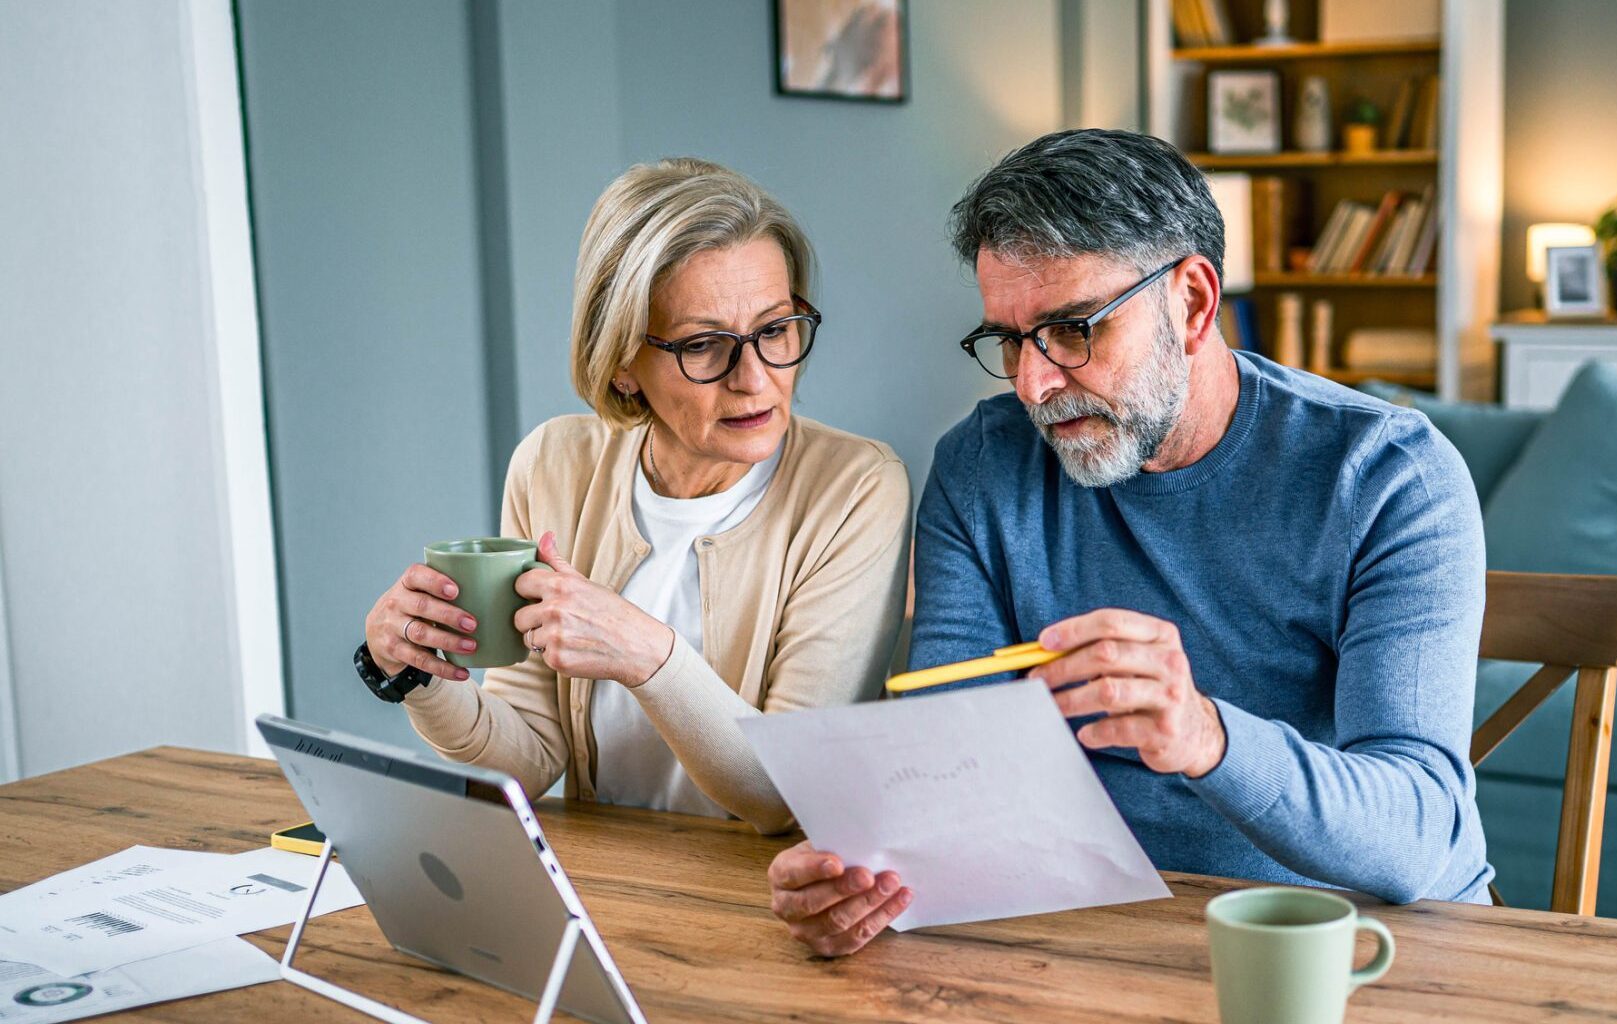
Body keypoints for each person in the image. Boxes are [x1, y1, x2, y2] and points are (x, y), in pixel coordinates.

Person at [767, 128, 1492, 955]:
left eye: (1074, 328)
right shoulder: (981, 466)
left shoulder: (1388, 476)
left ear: (1191, 302)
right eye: (1009, 340)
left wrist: (1205, 735)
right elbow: (948, 763)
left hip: (1354, 941)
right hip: (1089, 934)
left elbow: (1419, 833)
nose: (1035, 384)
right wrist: (866, 881)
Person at [355, 158, 911, 834]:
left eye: (775, 329)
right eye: (705, 345)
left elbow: (783, 795)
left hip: (775, 899)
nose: (755, 380)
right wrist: (420, 672)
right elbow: (526, 758)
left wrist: (646, 653)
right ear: (622, 363)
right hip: (607, 890)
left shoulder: (856, 488)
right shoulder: (554, 464)